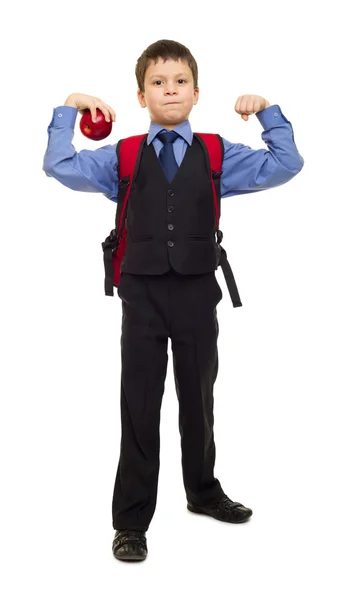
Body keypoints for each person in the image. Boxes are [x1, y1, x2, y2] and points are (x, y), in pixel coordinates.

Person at [43, 39, 304, 562]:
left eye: (179, 81)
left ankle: (203, 492)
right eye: (158, 83)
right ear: (141, 97)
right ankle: (131, 521)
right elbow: (59, 165)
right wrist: (68, 109)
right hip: (140, 296)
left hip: (194, 293)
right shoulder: (120, 156)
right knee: (139, 405)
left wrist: (268, 113)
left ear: (196, 92)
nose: (169, 90)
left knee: (198, 399)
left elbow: (287, 163)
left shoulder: (215, 153)